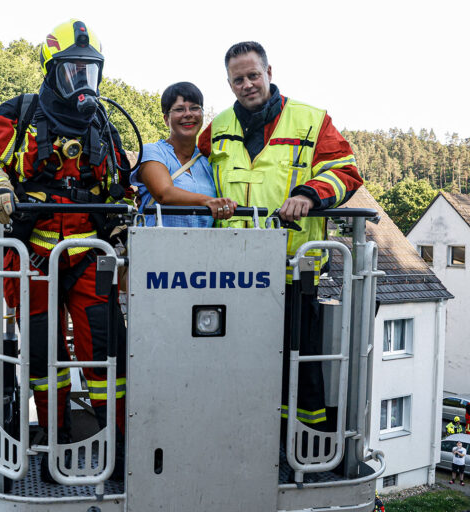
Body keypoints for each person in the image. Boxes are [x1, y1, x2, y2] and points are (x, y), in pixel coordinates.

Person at [0, 19, 129, 483]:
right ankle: (56, 446)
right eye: (73, 70)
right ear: (52, 70)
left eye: (89, 71)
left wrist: (120, 227)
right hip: (31, 257)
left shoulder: (103, 124)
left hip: (88, 255)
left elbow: (121, 186)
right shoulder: (20, 114)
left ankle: (116, 448)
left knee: (106, 356)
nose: (82, 81)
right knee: (42, 358)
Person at [198, 42, 363, 429]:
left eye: (253, 75)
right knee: (237, 360)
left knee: (298, 362)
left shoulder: (311, 119)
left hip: (293, 267)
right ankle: (243, 431)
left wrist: (309, 194)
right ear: (229, 83)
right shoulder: (218, 127)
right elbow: (189, 170)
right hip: (232, 270)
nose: (247, 85)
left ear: (269, 73)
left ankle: (302, 439)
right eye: (238, 79)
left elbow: (346, 172)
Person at [131, 82, 236, 226]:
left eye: (194, 108)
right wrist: (208, 201)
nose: (188, 114)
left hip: (204, 240)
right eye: (179, 109)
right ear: (166, 119)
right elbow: (164, 193)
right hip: (157, 240)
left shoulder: (208, 160)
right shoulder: (153, 152)